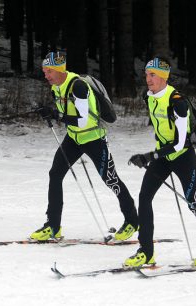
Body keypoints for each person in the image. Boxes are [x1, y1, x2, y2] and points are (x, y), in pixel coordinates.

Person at [30, 51, 138, 241]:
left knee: (111, 180)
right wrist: (50, 113)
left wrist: (56, 115)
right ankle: (53, 226)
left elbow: (83, 121)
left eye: (49, 71)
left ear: (59, 70)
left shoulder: (78, 86)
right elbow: (68, 116)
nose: (46, 75)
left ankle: (132, 221)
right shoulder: (56, 87)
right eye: (44, 71)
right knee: (55, 174)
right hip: (74, 139)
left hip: (94, 139)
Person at [124, 57, 196, 267]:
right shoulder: (150, 97)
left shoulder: (178, 102)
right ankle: (146, 252)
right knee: (144, 197)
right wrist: (152, 155)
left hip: (183, 157)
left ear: (164, 76)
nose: (148, 79)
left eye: (153, 74)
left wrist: (150, 156)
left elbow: (181, 143)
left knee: (193, 203)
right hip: (163, 156)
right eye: (146, 74)